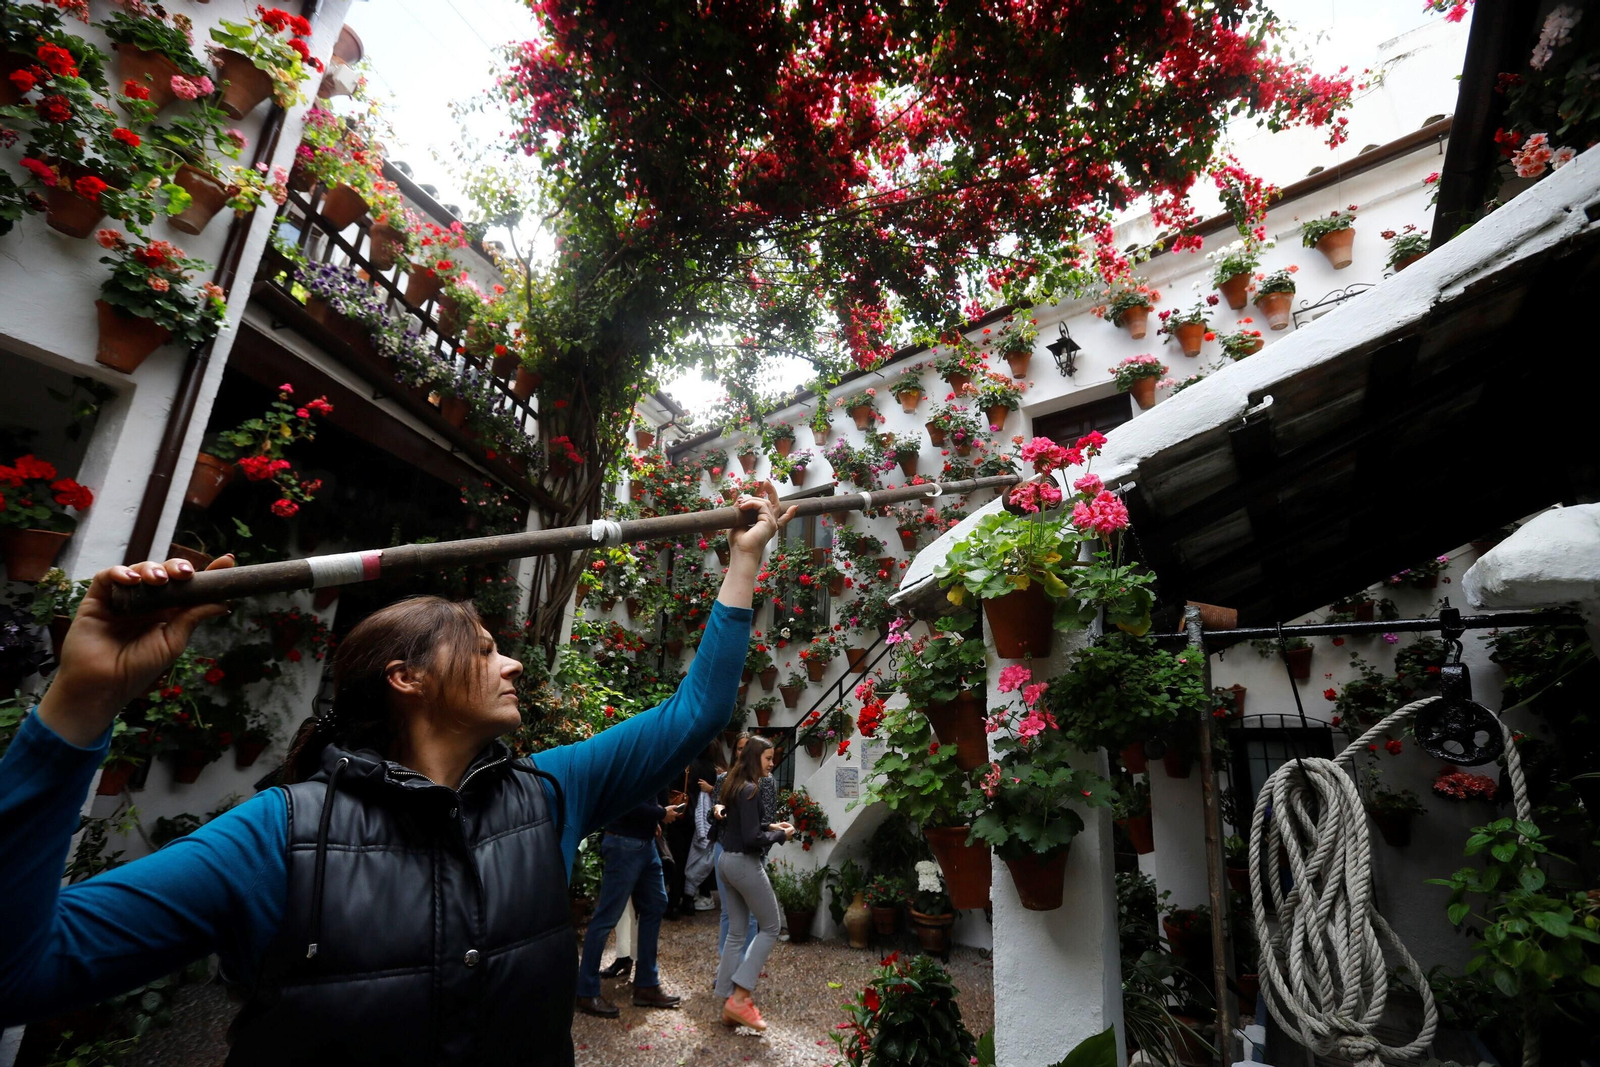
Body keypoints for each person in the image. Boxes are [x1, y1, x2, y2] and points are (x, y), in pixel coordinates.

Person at [0, 486, 794, 1066]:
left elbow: (695, 713)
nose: (511, 661)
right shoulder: (275, 835)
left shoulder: (549, 794)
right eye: (483, 648)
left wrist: (743, 561)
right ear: (405, 678)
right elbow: (20, 970)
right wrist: (80, 703)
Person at [574, 791, 685, 1016]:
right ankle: (586, 991)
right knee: (606, 917)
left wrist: (654, 818)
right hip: (625, 843)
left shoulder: (645, 758)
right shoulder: (632, 758)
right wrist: (661, 813)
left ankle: (646, 985)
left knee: (655, 904)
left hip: (644, 843)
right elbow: (624, 800)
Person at [711, 735, 792, 1031]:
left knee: (736, 932)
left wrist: (771, 826)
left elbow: (744, 825)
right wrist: (781, 835)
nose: (772, 763)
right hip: (744, 863)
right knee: (771, 927)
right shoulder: (750, 789)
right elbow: (751, 839)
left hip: (725, 863)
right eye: (768, 758)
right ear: (756, 757)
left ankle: (728, 1002)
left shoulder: (735, 784)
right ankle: (741, 998)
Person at [713, 733, 779, 958]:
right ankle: (733, 968)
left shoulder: (765, 782)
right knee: (732, 916)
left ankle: (742, 964)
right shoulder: (727, 779)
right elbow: (713, 812)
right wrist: (718, 812)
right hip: (728, 848)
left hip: (748, 852)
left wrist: (766, 842)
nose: (741, 753)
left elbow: (765, 817)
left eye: (745, 748)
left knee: (748, 918)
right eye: (739, 749)